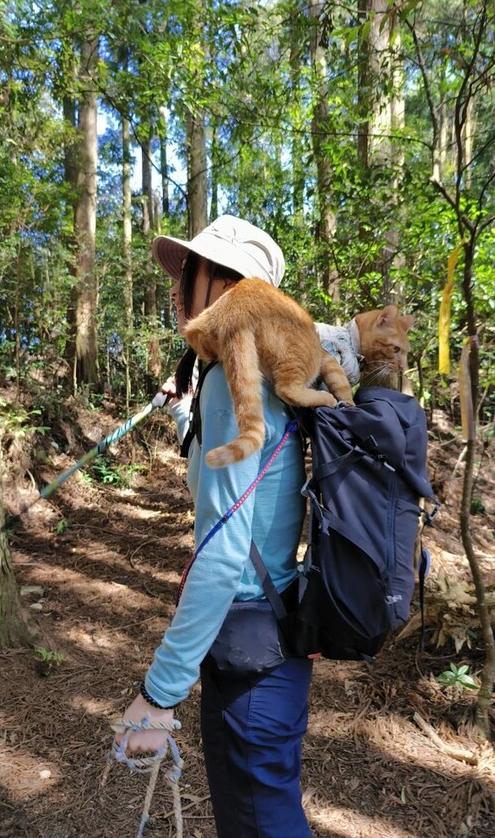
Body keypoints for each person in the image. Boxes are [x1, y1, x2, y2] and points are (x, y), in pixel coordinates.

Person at [116, 215, 313, 838]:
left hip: (250, 655)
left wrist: (158, 695)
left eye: (190, 272)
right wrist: (184, 415)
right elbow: (226, 488)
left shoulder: (235, 377)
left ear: (229, 284)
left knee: (261, 824)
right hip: (266, 643)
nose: (177, 288)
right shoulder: (254, 371)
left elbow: (225, 551)